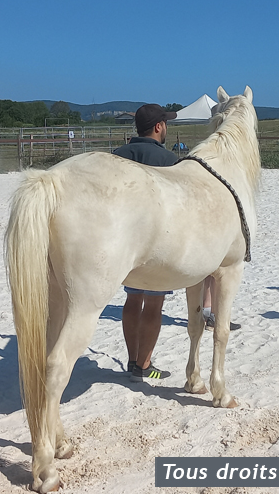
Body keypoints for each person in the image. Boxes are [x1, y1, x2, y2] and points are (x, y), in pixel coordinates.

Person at [113, 104, 177, 381]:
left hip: (124, 241)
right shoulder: (170, 160)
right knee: (154, 304)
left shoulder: (117, 156)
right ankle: (144, 364)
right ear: (159, 126)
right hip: (156, 242)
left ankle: (131, 359)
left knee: (131, 299)